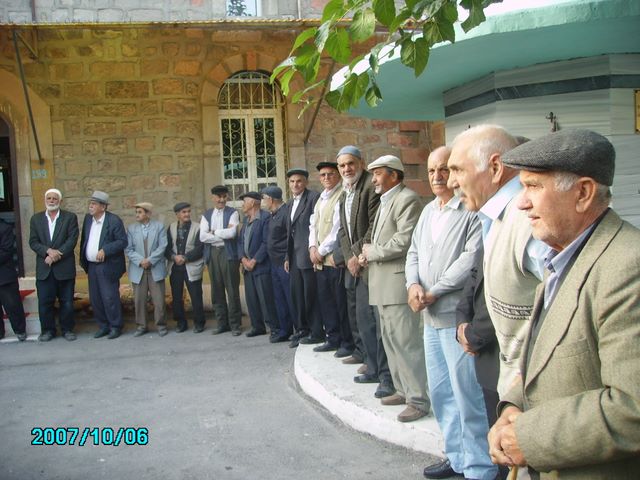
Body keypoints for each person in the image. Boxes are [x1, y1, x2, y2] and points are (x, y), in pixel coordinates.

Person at [488, 129, 640, 479]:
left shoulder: (627, 266)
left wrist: (528, 436)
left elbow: (631, 407)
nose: (521, 203)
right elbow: (548, 358)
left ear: (583, 193)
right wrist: (512, 407)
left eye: (533, 187)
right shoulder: (563, 256)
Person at [405, 147, 495, 479]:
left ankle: (480, 467)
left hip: (455, 318)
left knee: (467, 395)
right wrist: (413, 285)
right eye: (431, 171)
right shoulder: (428, 211)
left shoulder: (469, 210)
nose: (437, 176)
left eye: (444, 169)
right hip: (429, 318)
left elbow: (471, 259)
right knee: (442, 394)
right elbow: (413, 252)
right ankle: (456, 457)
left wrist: (434, 291)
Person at [447, 125, 546, 397]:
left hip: (532, 390)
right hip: (511, 382)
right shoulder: (493, 216)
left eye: (457, 170)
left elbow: (566, 307)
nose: (450, 182)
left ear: (495, 167)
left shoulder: (528, 219)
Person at [359, 155, 428, 422]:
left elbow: (404, 240)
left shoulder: (407, 199)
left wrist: (372, 252)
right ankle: (402, 390)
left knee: (406, 343)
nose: (373, 180)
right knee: (390, 341)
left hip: (397, 285)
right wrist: (367, 253)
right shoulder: (387, 200)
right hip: (382, 284)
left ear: (395, 175)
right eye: (373, 174)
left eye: (378, 174)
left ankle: (418, 399)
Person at [336, 146, 393, 399]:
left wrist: (357, 256)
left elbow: (373, 226)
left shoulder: (370, 186)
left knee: (379, 325)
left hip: (372, 265)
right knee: (364, 322)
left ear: (361, 162)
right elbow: (342, 231)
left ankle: (387, 377)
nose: (347, 169)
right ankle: (372, 367)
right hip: (356, 265)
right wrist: (350, 256)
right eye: (342, 165)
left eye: (351, 163)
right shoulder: (344, 192)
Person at [456, 261, 509, 480]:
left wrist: (473, 334)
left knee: (511, 445)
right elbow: (475, 276)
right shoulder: (489, 238)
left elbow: (508, 292)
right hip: (487, 358)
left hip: (505, 351)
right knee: (497, 433)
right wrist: (462, 321)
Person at [308, 161, 351, 354]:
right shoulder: (321, 198)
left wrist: (320, 251)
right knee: (326, 302)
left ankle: (346, 343)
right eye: (323, 175)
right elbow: (313, 226)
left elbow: (337, 229)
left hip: (333, 260)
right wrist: (311, 247)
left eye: (331, 174)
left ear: (338, 175)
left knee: (340, 303)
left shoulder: (341, 196)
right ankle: (332, 339)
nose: (326, 178)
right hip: (319, 261)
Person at [28, 188, 79, 342]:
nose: (51, 201)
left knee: (67, 302)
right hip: (45, 269)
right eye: (49, 198)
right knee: (45, 302)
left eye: (54, 198)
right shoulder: (36, 219)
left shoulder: (70, 217)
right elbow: (33, 242)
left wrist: (56, 256)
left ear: (60, 201)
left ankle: (67, 329)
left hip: (64, 268)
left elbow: (72, 240)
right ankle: (47, 331)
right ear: (45, 200)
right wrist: (48, 251)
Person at [80, 191, 127, 339]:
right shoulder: (88, 219)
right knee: (96, 299)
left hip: (107, 265)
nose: (90, 206)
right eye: (90, 203)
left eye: (94, 204)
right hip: (92, 266)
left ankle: (116, 326)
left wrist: (105, 250)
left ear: (103, 207)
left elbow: (122, 241)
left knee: (109, 297)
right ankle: (103, 326)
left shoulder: (114, 220)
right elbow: (85, 239)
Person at [284, 168, 321, 348]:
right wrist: (287, 256)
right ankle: (302, 329)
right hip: (294, 257)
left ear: (305, 182)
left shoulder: (313, 198)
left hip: (308, 255)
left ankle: (316, 332)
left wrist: (315, 251)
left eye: (299, 181)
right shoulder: (290, 203)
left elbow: (316, 227)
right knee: (297, 295)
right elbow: (289, 233)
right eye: (292, 181)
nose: (295, 184)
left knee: (310, 295)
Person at [200, 185, 242, 336]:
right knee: (216, 290)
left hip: (228, 254)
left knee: (232, 290)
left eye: (224, 197)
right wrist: (221, 235)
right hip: (212, 254)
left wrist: (214, 232)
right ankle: (222, 324)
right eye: (219, 197)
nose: (222, 200)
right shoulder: (206, 215)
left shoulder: (233, 213)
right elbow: (202, 236)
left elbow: (232, 233)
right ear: (213, 198)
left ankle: (235, 325)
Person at [237, 191, 279, 338]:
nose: (242, 205)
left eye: (244, 201)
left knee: (266, 299)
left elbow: (266, 242)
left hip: (261, 266)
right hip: (247, 267)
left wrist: (254, 260)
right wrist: (243, 259)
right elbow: (240, 242)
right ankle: (257, 327)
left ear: (253, 203)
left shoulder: (265, 218)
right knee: (252, 299)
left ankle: (274, 328)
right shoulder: (246, 220)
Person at [125, 202, 168, 337]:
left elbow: (162, 246)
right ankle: (141, 326)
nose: (137, 215)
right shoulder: (131, 229)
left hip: (155, 267)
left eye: (140, 212)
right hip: (138, 269)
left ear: (148, 214)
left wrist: (150, 260)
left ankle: (161, 325)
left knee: (159, 300)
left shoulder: (159, 227)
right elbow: (128, 249)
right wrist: (141, 261)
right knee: (139, 300)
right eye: (136, 212)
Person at [166, 202, 205, 333]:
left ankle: (199, 323)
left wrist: (185, 257)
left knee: (196, 296)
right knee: (177, 297)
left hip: (192, 267)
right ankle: (181, 323)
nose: (187, 214)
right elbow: (166, 247)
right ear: (177, 214)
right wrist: (173, 257)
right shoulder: (171, 227)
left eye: (188, 211)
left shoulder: (198, 227)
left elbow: (200, 248)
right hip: (175, 267)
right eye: (184, 212)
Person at [262, 186, 294, 343]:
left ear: (271, 199)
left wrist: (287, 257)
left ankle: (298, 330)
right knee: (280, 299)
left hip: (284, 263)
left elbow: (290, 237)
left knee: (289, 298)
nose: (262, 202)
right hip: (274, 263)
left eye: (264, 199)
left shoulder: (285, 213)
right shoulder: (273, 215)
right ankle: (285, 330)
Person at [0, 218, 27, 341]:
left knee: (12, 305)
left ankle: (20, 331)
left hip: (4, 275)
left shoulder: (4, 227)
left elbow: (6, 251)